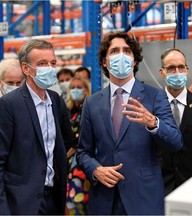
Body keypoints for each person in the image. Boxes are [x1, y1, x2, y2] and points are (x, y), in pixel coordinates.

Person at [76, 31, 182, 215]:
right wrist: (96, 170)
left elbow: (176, 142)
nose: (121, 56)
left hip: (144, 199)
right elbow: (83, 152)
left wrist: (153, 123)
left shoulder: (154, 96)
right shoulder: (92, 103)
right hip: (105, 200)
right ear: (104, 61)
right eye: (115, 51)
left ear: (134, 60)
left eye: (127, 51)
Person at [0, 39, 68, 214]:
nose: (50, 68)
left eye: (52, 63)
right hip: (21, 202)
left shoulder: (56, 101)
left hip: (53, 198)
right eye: (42, 63)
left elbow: (63, 145)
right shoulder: (9, 105)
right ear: (26, 68)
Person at [157, 49, 192, 196]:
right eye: (171, 68)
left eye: (181, 67)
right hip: (160, 185)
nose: (177, 72)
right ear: (162, 72)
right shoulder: (152, 105)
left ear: (187, 71)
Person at [66, 77, 91, 215]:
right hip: (68, 166)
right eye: (72, 87)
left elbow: (81, 139)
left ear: (86, 90)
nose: (75, 90)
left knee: (77, 202)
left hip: (81, 166)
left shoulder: (88, 108)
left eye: (79, 87)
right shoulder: (68, 110)